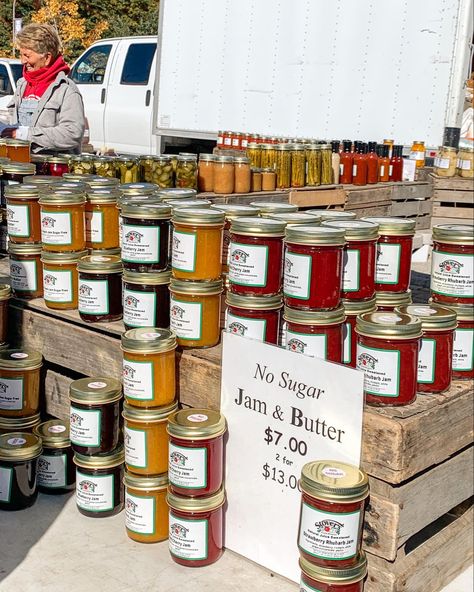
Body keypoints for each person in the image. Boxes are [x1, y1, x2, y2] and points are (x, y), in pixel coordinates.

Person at [7, 23, 85, 154]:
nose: (22, 61)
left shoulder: (67, 90)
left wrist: (27, 135)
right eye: (21, 55)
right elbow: (14, 126)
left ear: (47, 57)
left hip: (51, 172)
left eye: (27, 56)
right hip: (21, 167)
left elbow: (73, 133)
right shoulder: (22, 85)